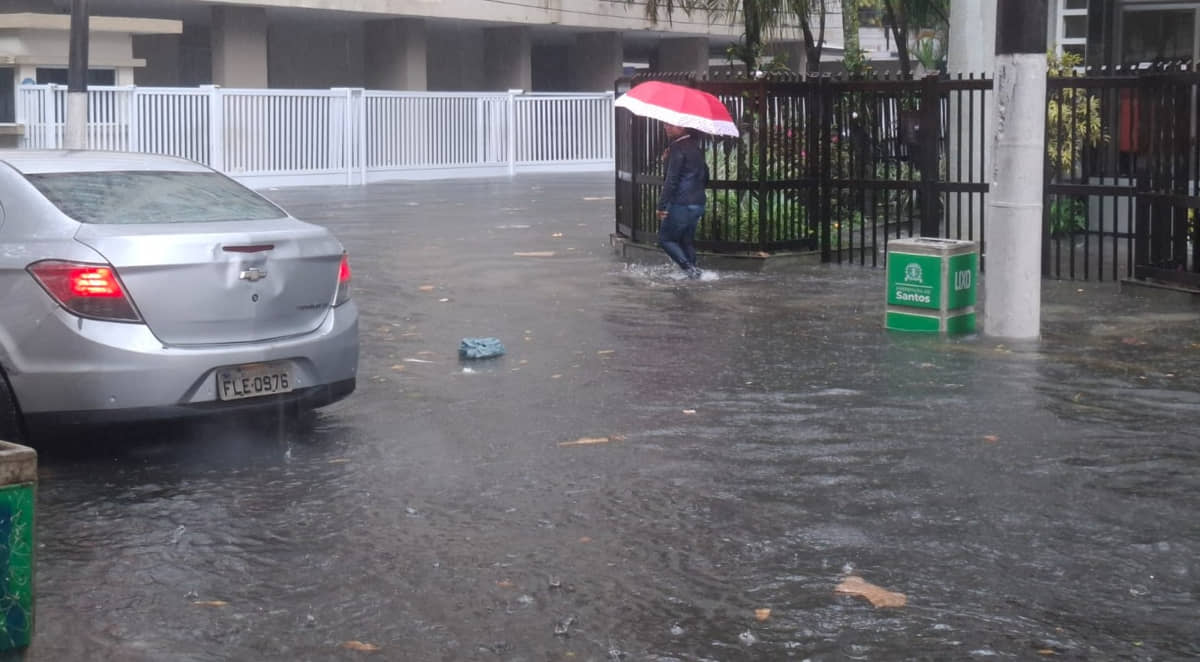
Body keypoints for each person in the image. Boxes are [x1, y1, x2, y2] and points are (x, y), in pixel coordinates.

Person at [656, 124, 708, 279]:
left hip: (681, 203)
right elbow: (706, 175)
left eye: (671, 125)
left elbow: (671, 180)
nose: (666, 127)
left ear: (684, 127)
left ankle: (691, 271)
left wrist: (661, 206)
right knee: (686, 241)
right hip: (698, 203)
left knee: (665, 239)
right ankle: (694, 273)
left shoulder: (677, 148)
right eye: (665, 124)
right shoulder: (695, 148)